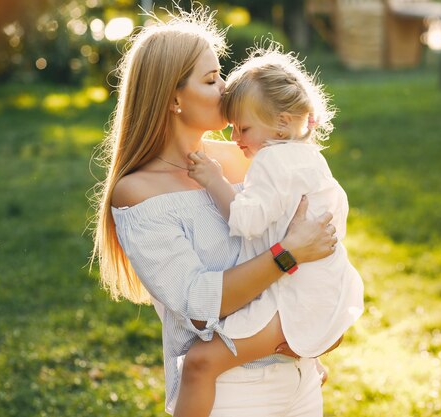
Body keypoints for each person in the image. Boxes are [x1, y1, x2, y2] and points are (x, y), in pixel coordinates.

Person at [91, 5, 341, 416]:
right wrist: (287, 255)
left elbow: (321, 229)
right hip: (233, 392)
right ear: (173, 97)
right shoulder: (137, 194)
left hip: (301, 378)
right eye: (210, 80)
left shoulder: (251, 157)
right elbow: (199, 305)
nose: (225, 89)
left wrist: (321, 327)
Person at [173, 46, 365, 417]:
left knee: (200, 363)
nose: (236, 138)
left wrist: (215, 180)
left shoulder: (272, 159)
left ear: (281, 123)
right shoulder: (307, 158)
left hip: (295, 293)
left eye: (242, 128)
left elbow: (246, 219)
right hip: (323, 286)